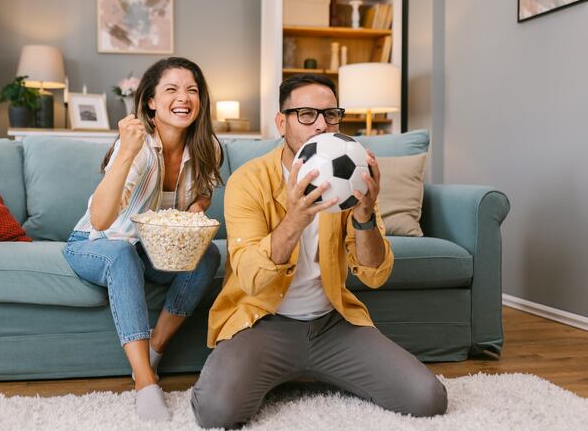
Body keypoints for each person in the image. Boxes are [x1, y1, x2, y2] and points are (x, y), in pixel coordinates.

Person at [191, 74, 447, 428]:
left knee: (428, 399)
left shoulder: (353, 173)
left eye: (331, 115)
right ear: (281, 122)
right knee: (215, 413)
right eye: (307, 115)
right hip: (262, 324)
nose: (322, 125)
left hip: (331, 325)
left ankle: (318, 369)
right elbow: (251, 277)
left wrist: (364, 216)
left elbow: (375, 273)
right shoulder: (248, 180)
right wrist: (295, 218)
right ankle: (271, 372)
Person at [64, 57, 222, 422]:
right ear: (150, 102)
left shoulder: (205, 147)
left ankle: (155, 350)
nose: (184, 97)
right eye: (172, 89)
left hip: (149, 250)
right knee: (121, 253)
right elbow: (103, 219)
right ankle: (146, 383)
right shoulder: (136, 147)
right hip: (95, 242)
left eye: (192, 90)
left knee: (207, 254)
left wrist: (197, 206)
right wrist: (126, 151)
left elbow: (204, 193)